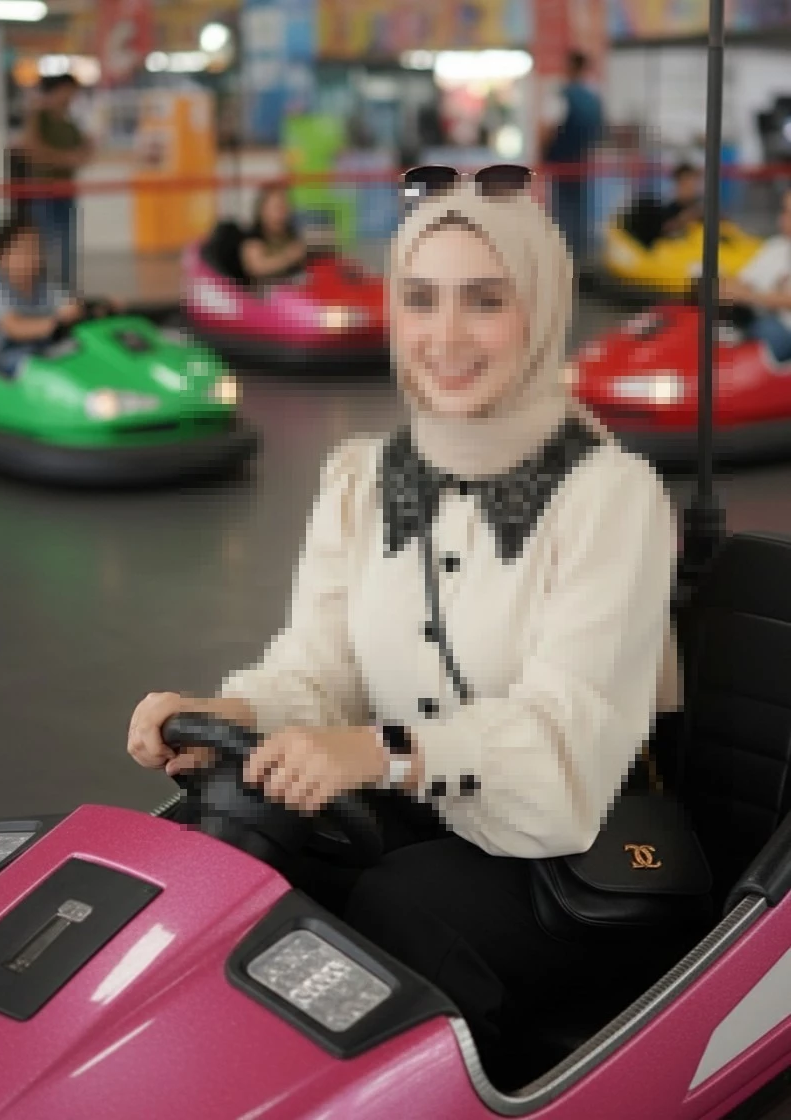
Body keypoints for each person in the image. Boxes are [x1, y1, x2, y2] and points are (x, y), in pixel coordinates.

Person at [127, 171, 682, 1086]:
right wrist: (225, 707)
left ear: (540, 309)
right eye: (420, 299)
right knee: (233, 857)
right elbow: (318, 666)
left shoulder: (610, 497)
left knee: (391, 910)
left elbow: (566, 743)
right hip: (405, 814)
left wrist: (381, 754)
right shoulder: (362, 478)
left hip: (567, 846)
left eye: (485, 301)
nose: (446, 336)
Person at [0, 217, 84, 376]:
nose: (33, 256)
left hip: (42, 354)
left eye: (36, 248)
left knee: (79, 353)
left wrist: (78, 310)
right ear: (2, 257)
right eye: (24, 250)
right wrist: (54, 324)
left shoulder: (45, 287)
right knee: (41, 370)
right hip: (5, 362)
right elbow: (14, 327)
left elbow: (69, 306)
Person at [21, 74, 93, 288]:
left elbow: (85, 152)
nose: (72, 96)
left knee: (66, 245)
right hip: (44, 191)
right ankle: (43, 290)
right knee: (44, 244)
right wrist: (65, 159)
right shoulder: (39, 117)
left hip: (65, 191)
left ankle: (64, 291)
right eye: (69, 90)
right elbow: (32, 150)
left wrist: (73, 157)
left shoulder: (69, 123)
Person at [540, 51, 604, 264]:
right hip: (583, 162)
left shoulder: (562, 95)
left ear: (569, 68)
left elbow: (550, 128)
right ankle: (581, 257)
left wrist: (543, 153)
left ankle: (563, 258)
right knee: (581, 209)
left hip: (561, 162)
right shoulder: (593, 99)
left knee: (562, 210)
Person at [720, 187, 791, 362]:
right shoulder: (776, 246)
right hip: (757, 318)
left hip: (783, 328)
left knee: (758, 331)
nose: (783, 217)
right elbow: (742, 280)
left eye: (789, 212)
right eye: (784, 210)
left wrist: (748, 296)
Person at [239, 183, 307, 284]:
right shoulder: (253, 236)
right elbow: (257, 267)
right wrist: (289, 257)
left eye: (285, 207)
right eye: (277, 207)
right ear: (263, 209)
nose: (282, 212)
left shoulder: (291, 234)